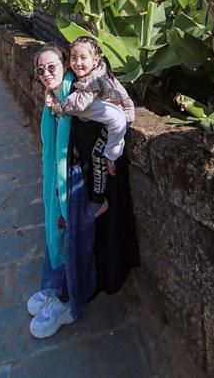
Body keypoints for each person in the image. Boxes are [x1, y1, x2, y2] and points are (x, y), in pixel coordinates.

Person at [27, 43, 139, 339]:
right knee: (61, 231)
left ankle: (67, 301)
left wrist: (113, 155)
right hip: (77, 173)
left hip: (86, 175)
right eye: (41, 70)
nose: (46, 73)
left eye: (52, 66)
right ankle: (55, 288)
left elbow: (116, 120)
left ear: (64, 66)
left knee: (74, 237)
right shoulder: (59, 93)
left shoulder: (78, 95)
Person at [62, 37, 135, 217]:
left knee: (98, 155)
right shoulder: (98, 72)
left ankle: (99, 200)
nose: (77, 63)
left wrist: (112, 154)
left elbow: (78, 106)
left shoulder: (94, 81)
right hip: (115, 118)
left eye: (83, 58)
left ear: (95, 61)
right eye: (73, 57)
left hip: (122, 120)